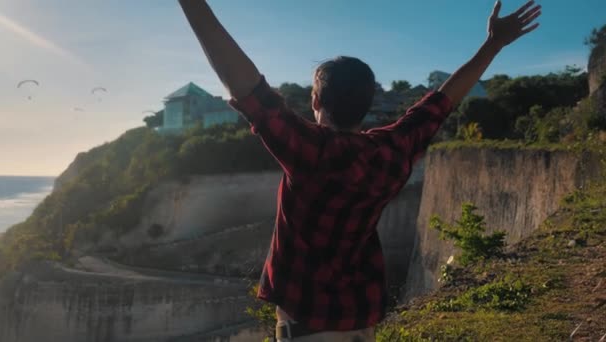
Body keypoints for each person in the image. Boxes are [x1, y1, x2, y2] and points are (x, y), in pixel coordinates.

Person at [178, 1, 541, 341]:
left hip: (309, 328)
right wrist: (493, 45)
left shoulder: (313, 153)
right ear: (367, 104)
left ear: (316, 101)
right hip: (361, 325)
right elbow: (441, 103)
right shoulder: (391, 150)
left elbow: (246, 86)